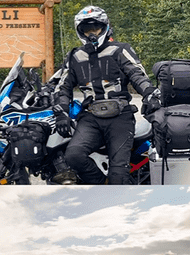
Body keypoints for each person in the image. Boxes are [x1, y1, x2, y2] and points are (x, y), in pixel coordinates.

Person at [53, 5, 161, 184]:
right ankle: (101, 184)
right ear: (80, 31)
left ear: (105, 27)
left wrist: (149, 94)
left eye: (96, 27)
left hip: (120, 117)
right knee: (73, 155)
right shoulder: (74, 56)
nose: (92, 33)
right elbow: (63, 88)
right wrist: (61, 113)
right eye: (86, 29)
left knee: (118, 174)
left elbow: (137, 75)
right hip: (90, 118)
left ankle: (114, 191)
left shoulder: (120, 50)